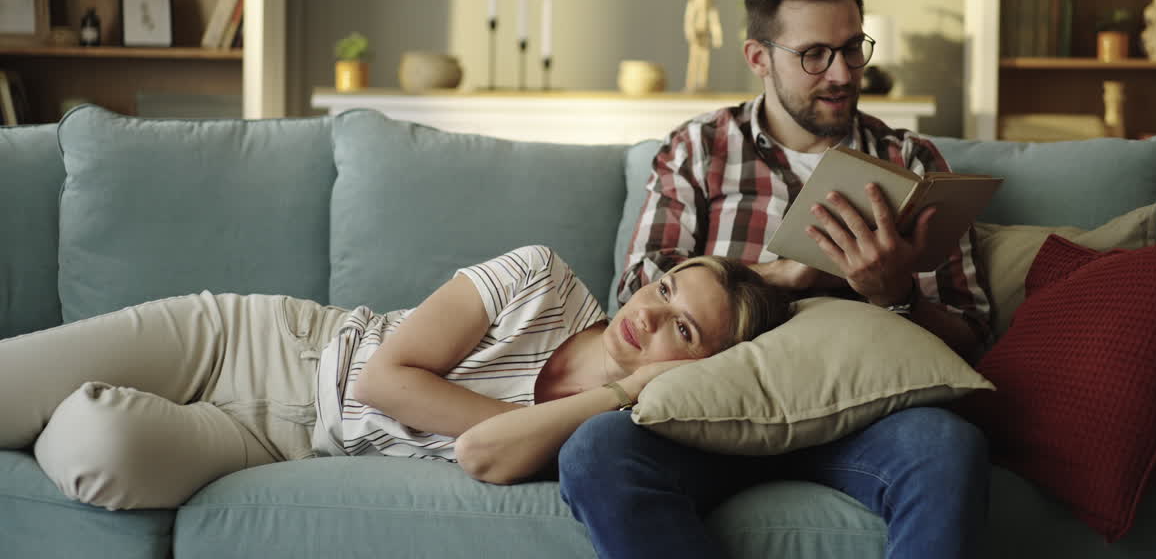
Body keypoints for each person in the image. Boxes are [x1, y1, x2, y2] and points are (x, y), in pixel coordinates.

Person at [559, 0, 993, 559]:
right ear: (759, 58)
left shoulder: (910, 163)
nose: (841, 72)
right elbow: (639, 286)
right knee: (595, 451)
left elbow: (973, 336)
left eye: (852, 48)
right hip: (704, 409)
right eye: (814, 54)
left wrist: (896, 296)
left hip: (857, 415)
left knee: (949, 447)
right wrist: (775, 275)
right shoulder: (699, 149)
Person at [0, 245, 789, 511]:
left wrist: (617, 396)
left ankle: (54, 410)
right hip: (256, 342)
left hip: (275, 444)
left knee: (97, 447)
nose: (649, 316)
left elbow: (484, 455)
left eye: (682, 329)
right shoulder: (540, 277)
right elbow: (385, 380)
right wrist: (523, 418)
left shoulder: (612, 432)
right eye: (664, 289)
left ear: (700, 368)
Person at [684, 0, 723, 92]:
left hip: (705, 35)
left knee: (705, 61)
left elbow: (714, 21)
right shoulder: (693, 2)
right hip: (696, 35)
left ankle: (702, 84)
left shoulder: (710, 3)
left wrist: (717, 36)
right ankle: (690, 84)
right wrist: (690, 33)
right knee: (694, 61)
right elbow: (689, 19)